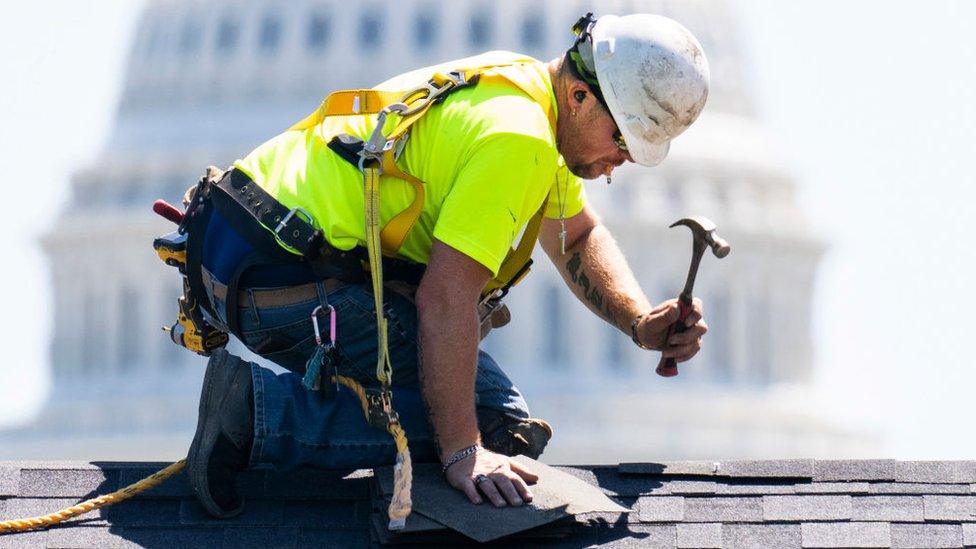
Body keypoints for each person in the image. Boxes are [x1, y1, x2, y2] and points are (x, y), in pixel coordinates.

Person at [183, 12, 711, 518]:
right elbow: (445, 299)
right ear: (580, 96)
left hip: (241, 245)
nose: (622, 161)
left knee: (479, 416)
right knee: (492, 424)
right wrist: (464, 452)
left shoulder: (526, 93)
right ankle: (257, 415)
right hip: (283, 273)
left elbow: (575, 236)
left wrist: (640, 322)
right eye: (623, 139)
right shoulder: (517, 138)